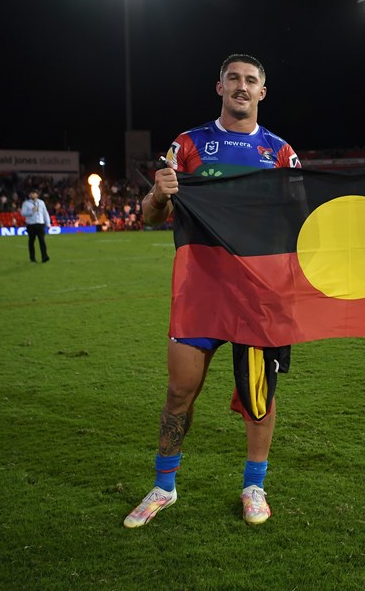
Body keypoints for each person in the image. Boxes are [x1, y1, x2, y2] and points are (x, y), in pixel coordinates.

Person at [124, 54, 301, 529]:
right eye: (233, 79)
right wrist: (160, 193)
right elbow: (149, 217)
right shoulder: (188, 145)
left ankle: (254, 485)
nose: (242, 87)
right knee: (180, 390)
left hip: (258, 295)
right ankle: (164, 486)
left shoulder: (281, 153)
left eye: (251, 81)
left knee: (258, 396)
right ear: (219, 86)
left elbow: (302, 219)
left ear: (262, 92)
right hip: (201, 289)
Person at [19, 189, 50, 263]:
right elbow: (22, 213)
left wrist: (48, 223)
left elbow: (45, 213)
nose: (32, 194)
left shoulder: (41, 202)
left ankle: (44, 257)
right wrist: (31, 211)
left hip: (40, 224)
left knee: (42, 241)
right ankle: (32, 258)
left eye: (34, 193)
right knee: (31, 242)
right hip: (31, 225)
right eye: (31, 193)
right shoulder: (26, 203)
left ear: (37, 194)